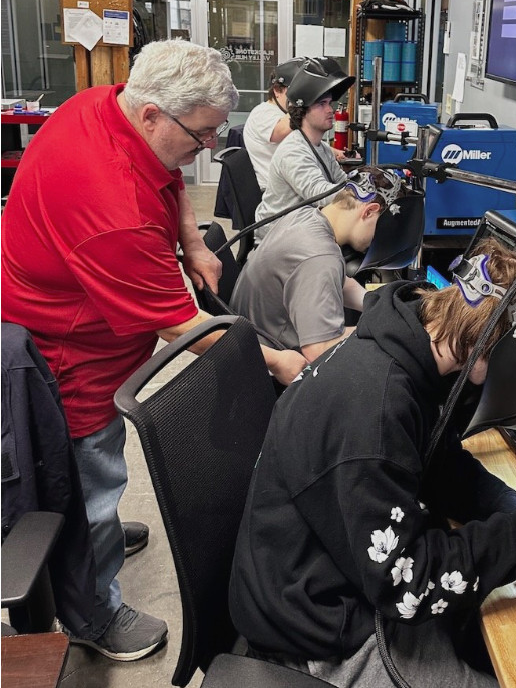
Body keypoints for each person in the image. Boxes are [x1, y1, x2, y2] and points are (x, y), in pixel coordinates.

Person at [0, 39, 306, 662]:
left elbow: (164, 178)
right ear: (153, 116)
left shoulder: (105, 104)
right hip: (67, 355)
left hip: (81, 310)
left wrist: (192, 243)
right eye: (201, 137)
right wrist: (276, 361)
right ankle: (94, 612)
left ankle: (98, 535)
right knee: (94, 475)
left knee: (98, 483)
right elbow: (185, 331)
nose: (209, 150)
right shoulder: (111, 209)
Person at [229, 237, 516, 687]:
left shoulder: (409, 345)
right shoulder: (374, 411)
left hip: (343, 576)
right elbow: (409, 588)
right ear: (497, 348)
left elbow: (437, 459)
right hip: (321, 629)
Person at [231, 167, 407, 362]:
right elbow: (320, 349)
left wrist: (377, 304)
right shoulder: (320, 257)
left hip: (251, 345)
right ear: (369, 212)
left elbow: (338, 281)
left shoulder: (306, 216)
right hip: (275, 367)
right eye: (380, 231)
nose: (375, 240)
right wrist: (387, 330)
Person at [253, 56, 355, 243]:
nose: (330, 110)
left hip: (301, 229)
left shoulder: (321, 147)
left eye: (330, 103)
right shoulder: (293, 151)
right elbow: (320, 193)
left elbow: (342, 181)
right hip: (276, 241)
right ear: (302, 110)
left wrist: (362, 183)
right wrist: (361, 195)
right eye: (322, 104)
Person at [242, 57, 305, 190]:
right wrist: (302, 103)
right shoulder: (263, 113)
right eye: (295, 90)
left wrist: (335, 153)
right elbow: (280, 132)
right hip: (274, 192)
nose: (299, 95)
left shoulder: (283, 113)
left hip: (290, 184)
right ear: (277, 90)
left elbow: (304, 140)